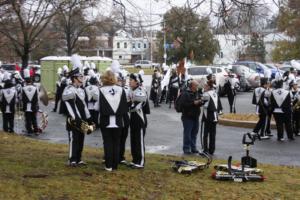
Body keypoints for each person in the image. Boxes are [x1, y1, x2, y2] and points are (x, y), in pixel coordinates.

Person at [62, 54, 93, 167]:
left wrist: (89, 119)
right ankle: (72, 159)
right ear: (74, 78)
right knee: (74, 139)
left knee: (81, 139)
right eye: (80, 77)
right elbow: (70, 107)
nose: (82, 79)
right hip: (73, 120)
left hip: (82, 119)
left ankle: (79, 158)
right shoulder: (68, 90)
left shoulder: (81, 90)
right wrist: (77, 119)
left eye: (82, 77)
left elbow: (84, 106)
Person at [98, 70, 128, 171]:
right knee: (116, 143)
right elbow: (125, 107)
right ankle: (115, 165)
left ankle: (108, 165)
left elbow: (97, 107)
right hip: (119, 120)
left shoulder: (101, 90)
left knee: (107, 142)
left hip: (105, 120)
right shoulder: (121, 89)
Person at [129, 73, 150, 168]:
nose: (129, 82)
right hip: (133, 118)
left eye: (131, 80)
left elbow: (134, 106)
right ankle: (135, 160)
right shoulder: (132, 90)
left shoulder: (141, 91)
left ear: (137, 82)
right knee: (133, 140)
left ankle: (140, 162)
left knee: (139, 141)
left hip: (140, 119)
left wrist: (127, 105)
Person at [180, 79, 203, 154]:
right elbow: (183, 105)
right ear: (192, 86)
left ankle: (193, 148)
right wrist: (193, 103)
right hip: (187, 117)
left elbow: (199, 102)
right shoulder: (185, 93)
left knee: (194, 133)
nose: (197, 87)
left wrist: (201, 102)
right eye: (196, 85)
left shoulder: (196, 93)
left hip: (195, 116)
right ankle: (186, 148)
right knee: (187, 133)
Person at [270, 73, 294, 141]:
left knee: (279, 124)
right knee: (288, 124)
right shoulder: (287, 92)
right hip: (286, 111)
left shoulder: (273, 92)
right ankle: (290, 136)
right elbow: (289, 102)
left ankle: (280, 137)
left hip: (276, 111)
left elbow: (272, 102)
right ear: (282, 84)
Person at [201, 79, 222, 155]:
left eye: (205, 86)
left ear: (208, 86)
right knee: (213, 134)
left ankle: (205, 150)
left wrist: (201, 98)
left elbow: (205, 105)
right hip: (215, 116)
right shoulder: (215, 93)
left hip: (208, 116)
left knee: (205, 134)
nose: (204, 87)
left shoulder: (206, 94)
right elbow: (218, 104)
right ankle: (212, 150)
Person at [22, 68, 39, 135]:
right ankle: (36, 130)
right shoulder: (35, 88)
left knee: (28, 119)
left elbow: (22, 98)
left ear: (26, 81)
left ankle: (29, 131)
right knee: (34, 119)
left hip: (26, 106)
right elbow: (36, 98)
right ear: (31, 81)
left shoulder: (23, 88)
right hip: (33, 106)